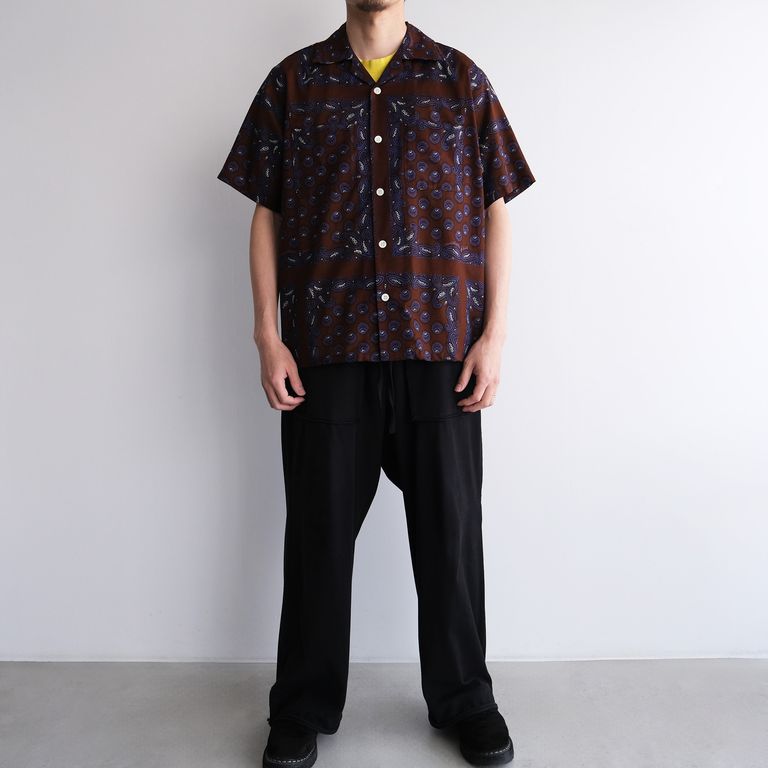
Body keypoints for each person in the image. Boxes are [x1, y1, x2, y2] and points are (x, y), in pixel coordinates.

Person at [216, 1, 535, 765]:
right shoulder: (294, 82)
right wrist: (266, 333)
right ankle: (301, 707)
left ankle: (467, 699)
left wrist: (493, 336)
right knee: (318, 538)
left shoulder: (460, 80)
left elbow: (496, 209)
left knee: (451, 536)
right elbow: (267, 212)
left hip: (441, 349)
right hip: (328, 349)